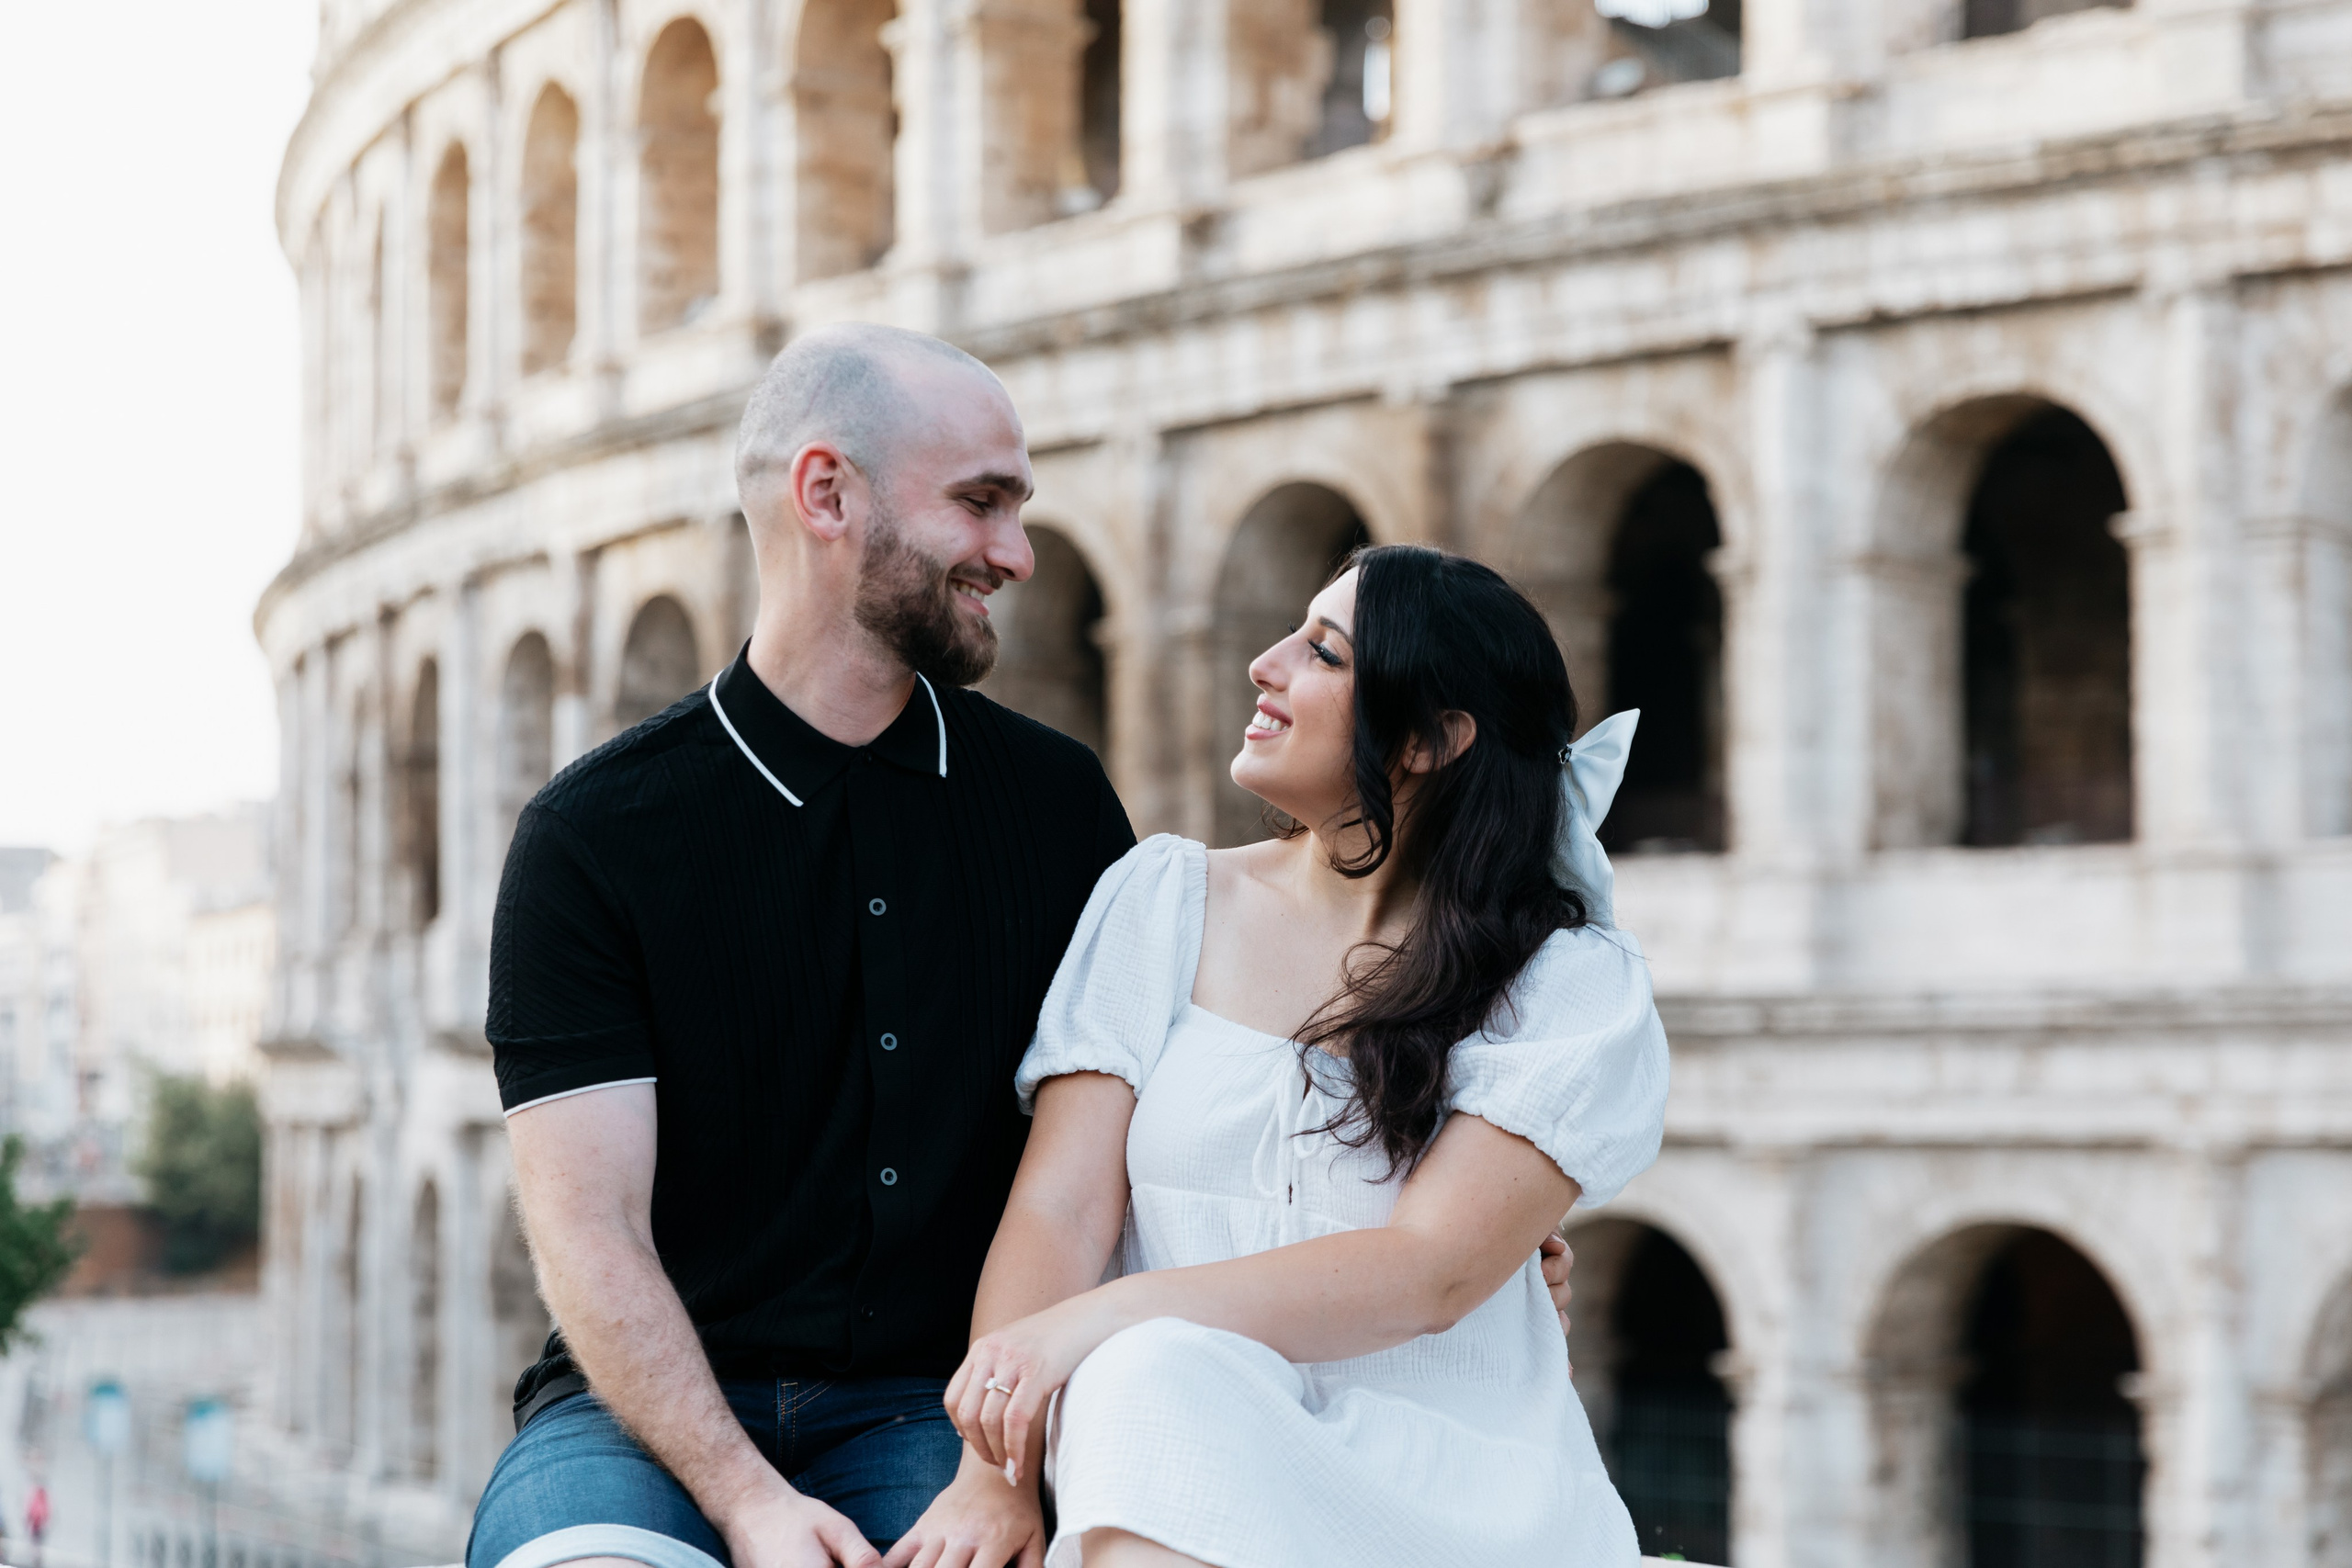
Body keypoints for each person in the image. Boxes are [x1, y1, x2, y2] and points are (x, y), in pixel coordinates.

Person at [465, 321, 1588, 1568]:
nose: (1019, 551)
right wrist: (745, 1497)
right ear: (826, 493)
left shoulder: (1058, 808)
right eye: (983, 503)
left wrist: (1470, 1241)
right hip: (637, 1418)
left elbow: (1160, 1131)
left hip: (941, 1403)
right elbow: (592, 1233)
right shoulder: (593, 835)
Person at [919, 545, 1668, 1568]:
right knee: (1149, 1382)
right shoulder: (1163, 900)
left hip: (1449, 1485)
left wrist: (1099, 1322)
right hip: (1179, 1431)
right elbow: (1059, 1207)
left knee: (1143, 1367)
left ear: (1430, 739)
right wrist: (992, 1477)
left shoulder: (1566, 978)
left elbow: (1432, 1274)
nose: (1262, 665)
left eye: (1323, 652)